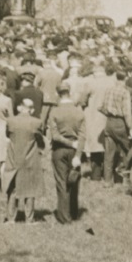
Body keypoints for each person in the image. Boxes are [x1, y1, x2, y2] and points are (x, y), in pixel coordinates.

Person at [1, 98, 46, 224]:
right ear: (31, 110)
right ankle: (29, 219)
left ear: (19, 108)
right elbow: (40, 138)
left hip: (14, 157)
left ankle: (11, 218)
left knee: (12, 188)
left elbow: (7, 135)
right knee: (30, 188)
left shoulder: (10, 121)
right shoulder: (37, 122)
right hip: (30, 158)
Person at [48, 82, 86, 224]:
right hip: (75, 149)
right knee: (74, 181)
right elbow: (83, 135)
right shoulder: (79, 112)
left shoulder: (54, 112)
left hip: (59, 150)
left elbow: (55, 135)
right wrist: (78, 155)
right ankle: (74, 213)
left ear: (58, 94)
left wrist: (69, 143)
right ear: (69, 93)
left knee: (61, 182)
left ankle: (64, 217)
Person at [99, 65, 132, 187]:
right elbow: (127, 112)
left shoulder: (109, 89)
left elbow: (101, 107)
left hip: (109, 122)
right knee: (127, 150)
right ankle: (126, 178)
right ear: (126, 78)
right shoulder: (125, 92)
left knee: (109, 153)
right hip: (121, 123)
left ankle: (107, 181)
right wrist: (131, 129)